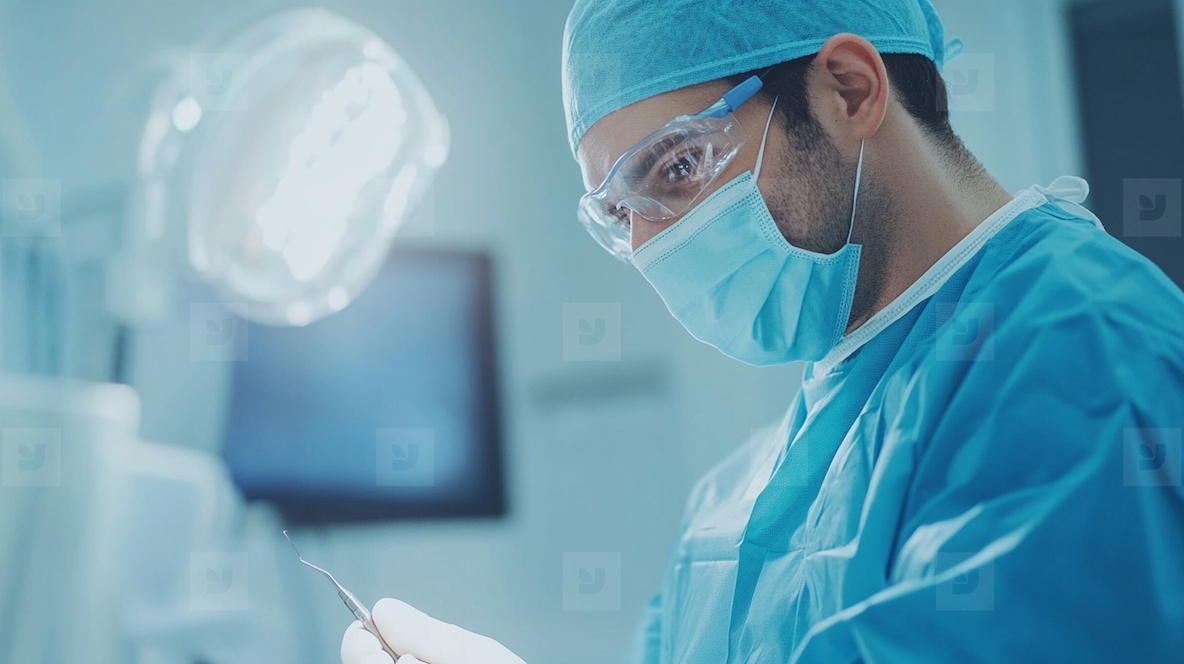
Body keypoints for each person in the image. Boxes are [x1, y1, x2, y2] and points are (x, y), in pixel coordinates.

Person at [341, 1, 1184, 662]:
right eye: (619, 214)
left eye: (675, 167)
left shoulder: (1082, 354)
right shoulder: (739, 495)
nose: (651, 243)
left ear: (849, 89)